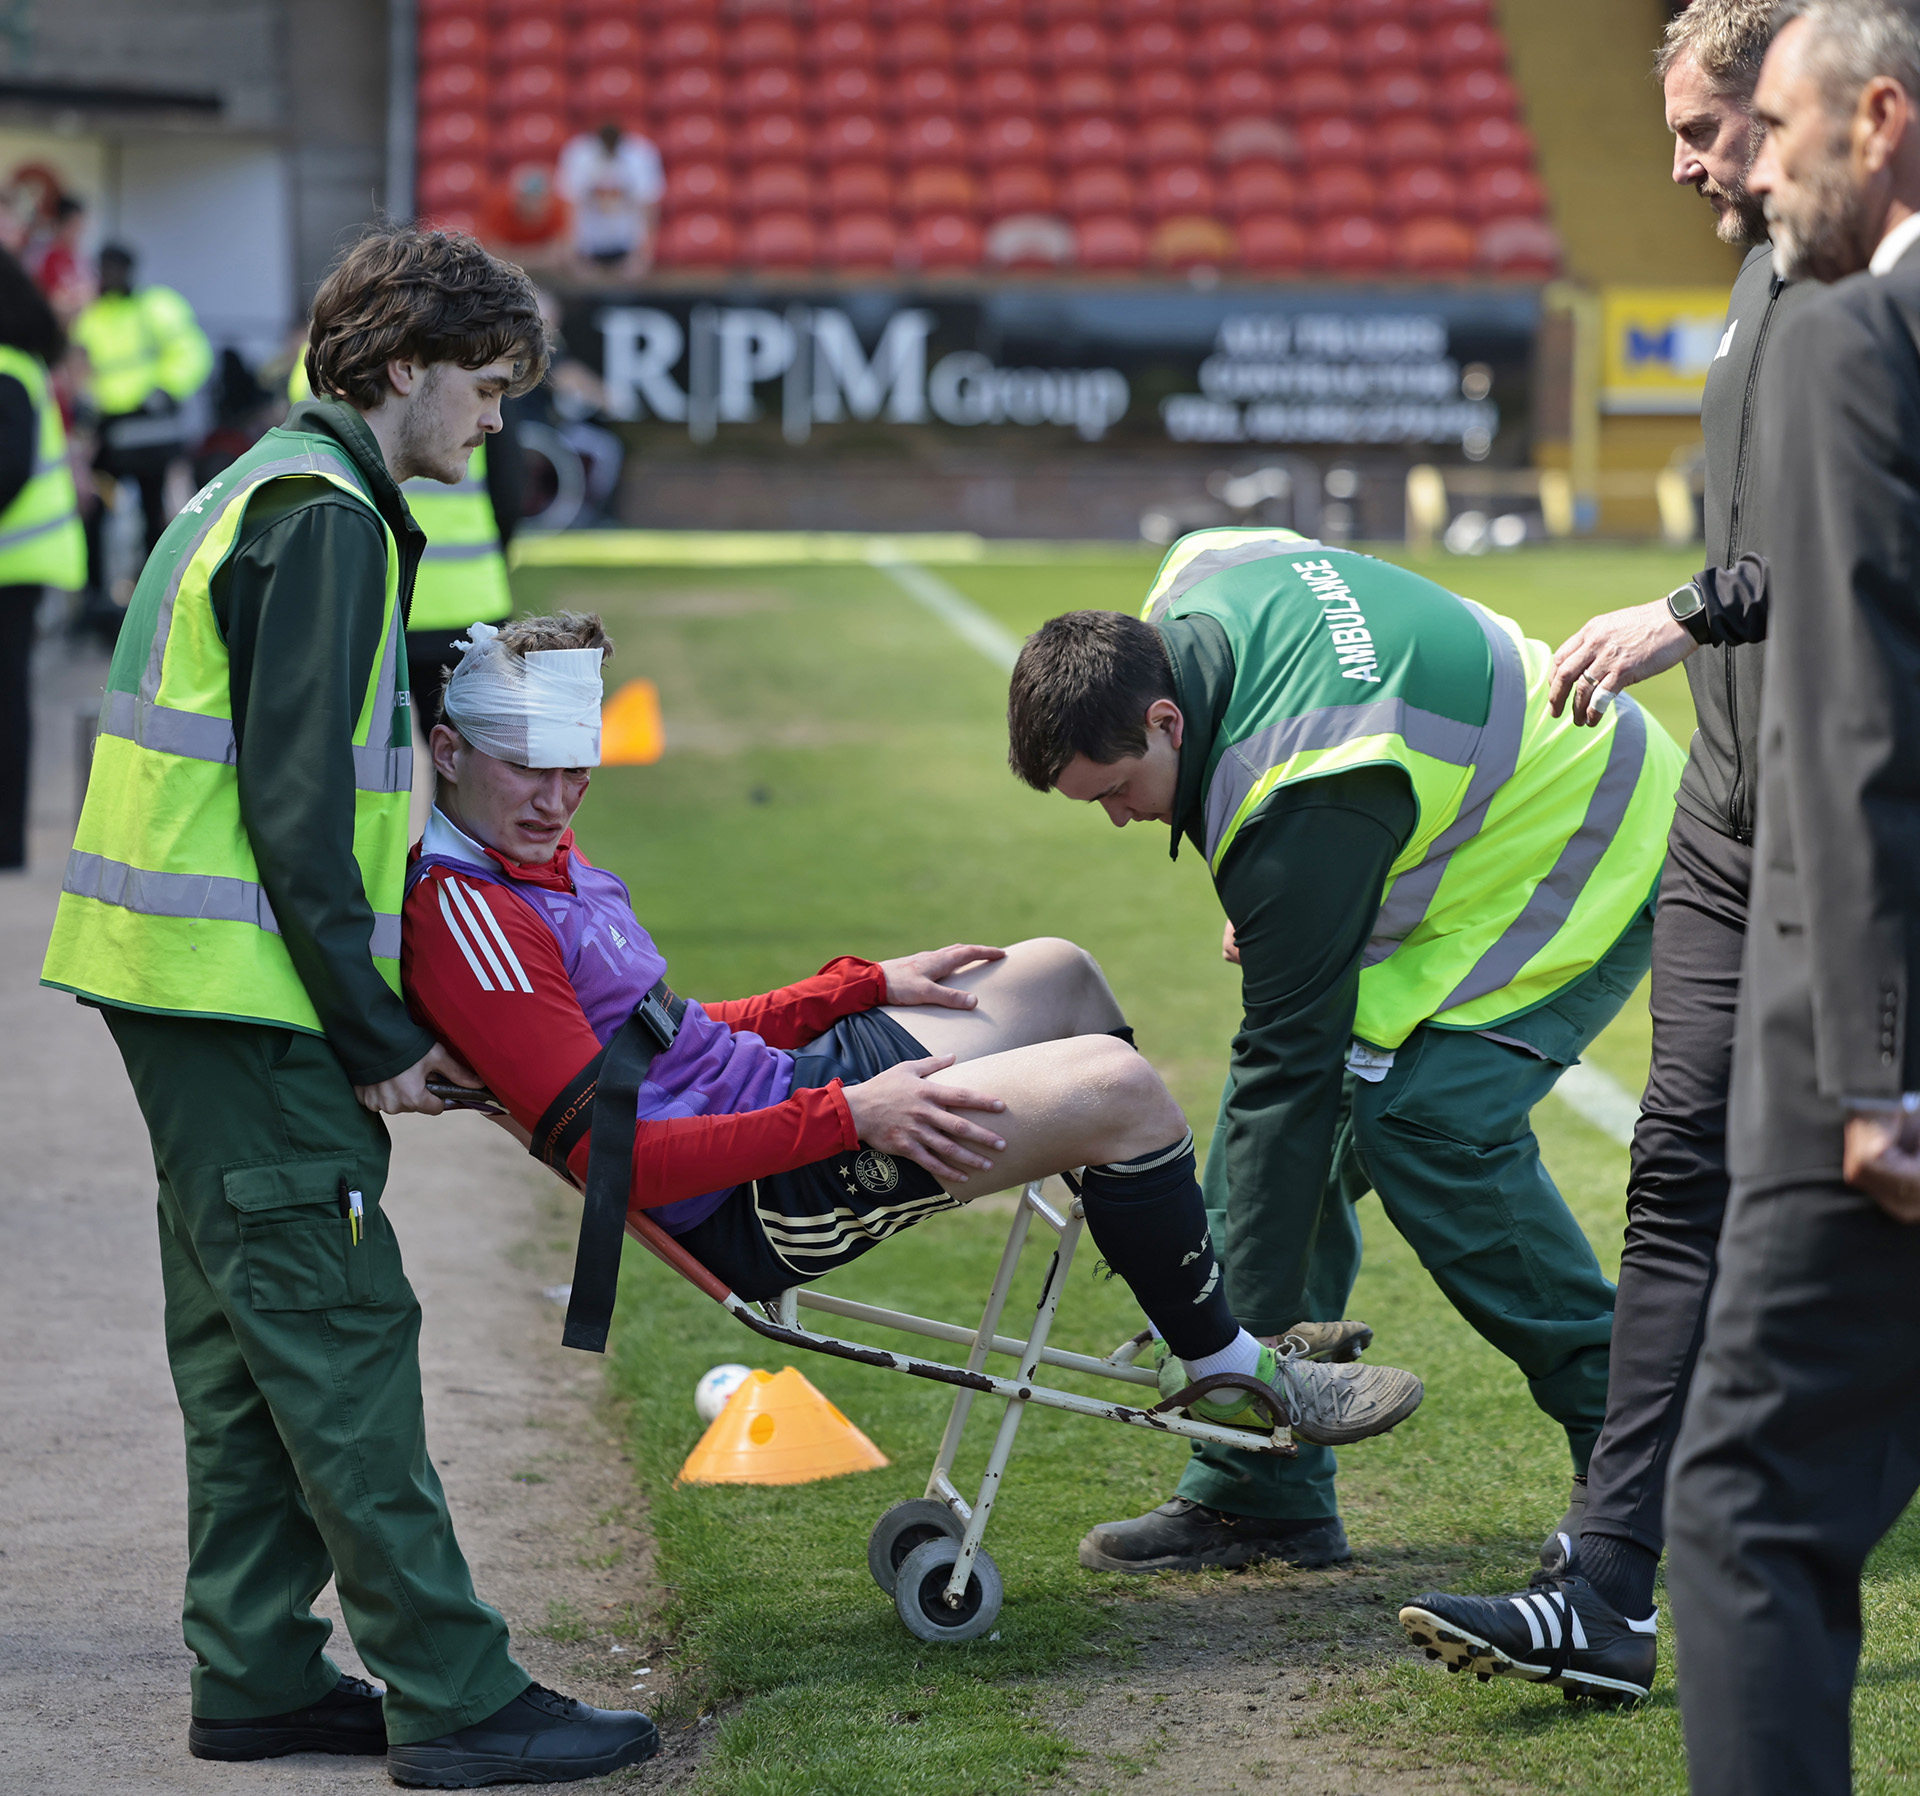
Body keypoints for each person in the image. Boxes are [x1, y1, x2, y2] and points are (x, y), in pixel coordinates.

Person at [40, 225, 658, 1787]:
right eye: (487, 388)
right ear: (402, 371)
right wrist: (379, 1041)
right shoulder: (325, 521)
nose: (500, 423)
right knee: (340, 1337)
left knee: (251, 1343)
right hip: (246, 1000)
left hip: (186, 991)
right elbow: (302, 814)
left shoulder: (269, 491)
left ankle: (253, 1672)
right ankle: (455, 1695)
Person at [402, 610, 1427, 1455]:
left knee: (1057, 971)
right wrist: (854, 1112)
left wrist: (856, 987)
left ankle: (1191, 1320)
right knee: (1117, 1088)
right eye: (529, 767)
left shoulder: (541, 857)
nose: (558, 795)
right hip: (755, 1196)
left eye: (576, 766)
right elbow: (617, 1155)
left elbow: (668, 1033)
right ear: (447, 751)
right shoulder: (470, 914)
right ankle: (1229, 1372)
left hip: (787, 1094)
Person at [1395, 0, 1821, 1705]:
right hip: (1728, 817)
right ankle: (1607, 1586)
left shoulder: (1893, 282)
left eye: (1706, 129)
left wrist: (1688, 611)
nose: (1680, 163)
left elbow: (1866, 549)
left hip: (1870, 828)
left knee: (1852, 1208)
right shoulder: (1763, 280)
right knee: (1676, 1181)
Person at [1005, 535, 1683, 1580]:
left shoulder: (1302, 797)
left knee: (1424, 1120)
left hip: (1584, 830)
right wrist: (1302, 902)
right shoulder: (1188, 591)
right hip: (1448, 837)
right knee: (1252, 1161)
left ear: (1165, 716)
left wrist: (1256, 1343)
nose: (1118, 816)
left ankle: (1643, 1459)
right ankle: (1255, 1494)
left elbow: (1291, 1066)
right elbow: (1260, 553)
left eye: (1118, 787)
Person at [1664, 5, 1920, 1790]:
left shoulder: (1856, 341)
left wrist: (1871, 1069)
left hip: (1861, 1036)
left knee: (1747, 1504)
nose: (1755, 162)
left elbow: (1858, 728)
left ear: (1879, 117)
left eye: (1778, 125)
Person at [0, 243, 84, 870]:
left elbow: (7, 470)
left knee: (7, 703)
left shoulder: (7, 369)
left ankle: (5, 841)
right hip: (21, 563)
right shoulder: (21, 365)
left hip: (13, 564)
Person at [69, 242, 211, 582]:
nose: (108, 277)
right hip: (109, 431)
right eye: (103, 269)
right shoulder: (92, 316)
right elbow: (80, 368)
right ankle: (96, 592)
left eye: (114, 269)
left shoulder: (156, 307)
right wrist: (86, 404)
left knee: (152, 511)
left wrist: (165, 389)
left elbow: (193, 352)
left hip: (149, 431)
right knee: (96, 510)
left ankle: (150, 584)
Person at [555, 121, 664, 279]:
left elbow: (649, 206)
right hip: (588, 246)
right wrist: (573, 254)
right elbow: (568, 203)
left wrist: (643, 256)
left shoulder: (641, 153)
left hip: (627, 245)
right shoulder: (578, 153)